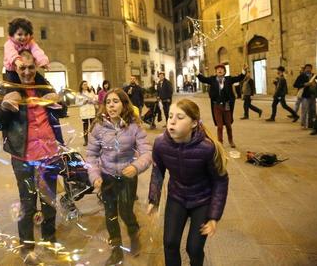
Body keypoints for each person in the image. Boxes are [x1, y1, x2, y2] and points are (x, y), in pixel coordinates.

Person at [0, 50, 64, 265]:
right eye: (22, 67)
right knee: (27, 201)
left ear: (37, 67)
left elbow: (60, 113)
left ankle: (49, 238)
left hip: (48, 152)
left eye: (31, 67)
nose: (27, 71)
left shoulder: (44, 87)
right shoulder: (7, 90)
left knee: (49, 199)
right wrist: (5, 107)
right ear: (15, 67)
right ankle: (27, 246)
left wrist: (58, 101)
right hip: (22, 156)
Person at [147, 99, 229, 266]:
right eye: (170, 116)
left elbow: (220, 181)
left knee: (194, 248)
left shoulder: (207, 147)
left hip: (202, 201)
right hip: (177, 197)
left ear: (193, 123)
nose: (172, 121)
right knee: (170, 243)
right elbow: (157, 171)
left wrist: (213, 217)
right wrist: (153, 199)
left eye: (180, 117)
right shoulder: (160, 143)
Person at [86, 88, 152, 266]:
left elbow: (147, 152)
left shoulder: (134, 126)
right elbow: (91, 155)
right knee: (110, 214)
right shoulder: (98, 127)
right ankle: (116, 250)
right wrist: (95, 176)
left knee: (125, 211)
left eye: (115, 101)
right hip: (107, 177)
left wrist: (136, 166)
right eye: (108, 102)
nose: (111, 105)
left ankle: (134, 232)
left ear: (124, 104)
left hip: (127, 177)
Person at [197, 64, 247, 148]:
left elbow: (239, 78)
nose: (219, 70)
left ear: (224, 71)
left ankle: (231, 141)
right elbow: (203, 79)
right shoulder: (212, 79)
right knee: (219, 126)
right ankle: (220, 142)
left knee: (228, 125)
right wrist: (197, 73)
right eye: (218, 69)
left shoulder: (229, 79)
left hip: (227, 105)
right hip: (216, 105)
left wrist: (243, 71)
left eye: (221, 69)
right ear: (216, 72)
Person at [3, 17, 49, 83]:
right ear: (12, 35)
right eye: (20, 34)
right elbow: (10, 52)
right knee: (13, 86)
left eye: (26, 34)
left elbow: (37, 51)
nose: (23, 37)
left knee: (41, 82)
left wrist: (42, 61)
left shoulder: (31, 43)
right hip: (12, 70)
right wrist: (16, 60)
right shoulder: (9, 44)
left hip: (25, 67)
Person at [293, 63, 316, 129]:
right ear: (305, 69)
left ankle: (311, 124)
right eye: (307, 68)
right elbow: (295, 85)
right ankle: (303, 124)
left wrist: (315, 84)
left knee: (313, 110)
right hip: (305, 96)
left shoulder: (314, 76)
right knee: (304, 110)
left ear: (311, 69)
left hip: (313, 95)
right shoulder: (301, 76)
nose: (308, 69)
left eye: (310, 68)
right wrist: (304, 84)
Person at [76, 80, 98, 146]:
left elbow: (95, 100)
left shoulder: (91, 92)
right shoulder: (79, 93)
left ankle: (93, 140)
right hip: (84, 112)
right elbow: (77, 103)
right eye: (84, 84)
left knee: (93, 127)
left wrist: (92, 101)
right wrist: (83, 102)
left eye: (86, 84)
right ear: (81, 86)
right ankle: (86, 141)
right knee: (85, 127)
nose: (85, 85)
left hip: (91, 111)